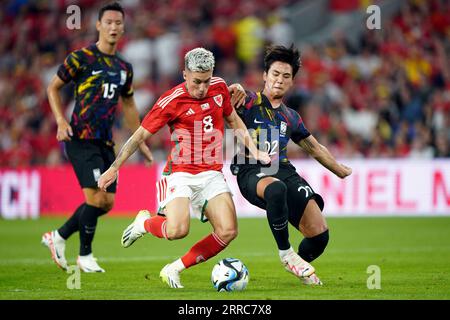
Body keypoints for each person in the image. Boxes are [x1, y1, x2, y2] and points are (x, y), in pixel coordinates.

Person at [98, 47, 272, 288]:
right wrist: (114, 167)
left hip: (211, 173)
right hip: (181, 173)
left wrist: (255, 151)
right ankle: (145, 223)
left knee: (228, 231)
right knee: (178, 230)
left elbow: (233, 120)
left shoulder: (220, 87)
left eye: (207, 81)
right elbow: (139, 136)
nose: (202, 88)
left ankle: (174, 268)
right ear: (184, 74)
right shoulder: (171, 101)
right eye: (197, 82)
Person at [41, 2, 153, 273]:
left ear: (123, 28)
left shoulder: (124, 67)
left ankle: (57, 236)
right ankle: (85, 256)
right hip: (80, 139)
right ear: (99, 26)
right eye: (109, 22)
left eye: (118, 23)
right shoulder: (80, 58)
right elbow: (53, 88)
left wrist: (140, 139)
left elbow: (128, 104)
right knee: (96, 198)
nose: (114, 27)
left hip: (105, 142)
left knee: (107, 202)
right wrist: (59, 120)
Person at [231, 45, 352, 285]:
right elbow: (226, 96)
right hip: (251, 169)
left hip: (284, 170)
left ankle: (299, 263)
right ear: (265, 75)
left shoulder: (291, 117)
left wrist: (340, 170)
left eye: (286, 76)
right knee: (276, 188)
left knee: (319, 236)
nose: (279, 80)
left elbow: (315, 147)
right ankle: (286, 254)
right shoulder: (247, 100)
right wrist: (231, 88)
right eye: (275, 73)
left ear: (292, 82)